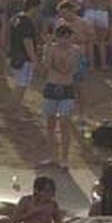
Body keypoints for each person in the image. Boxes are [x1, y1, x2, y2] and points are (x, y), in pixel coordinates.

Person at [40, 24, 81, 170]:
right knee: (50, 125)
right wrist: (49, 49)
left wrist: (54, 58)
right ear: (57, 37)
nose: (65, 40)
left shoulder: (75, 50)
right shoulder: (49, 48)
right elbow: (45, 67)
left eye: (68, 37)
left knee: (64, 123)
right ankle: (51, 156)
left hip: (67, 88)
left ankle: (64, 158)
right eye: (62, 37)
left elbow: (68, 68)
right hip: (51, 86)